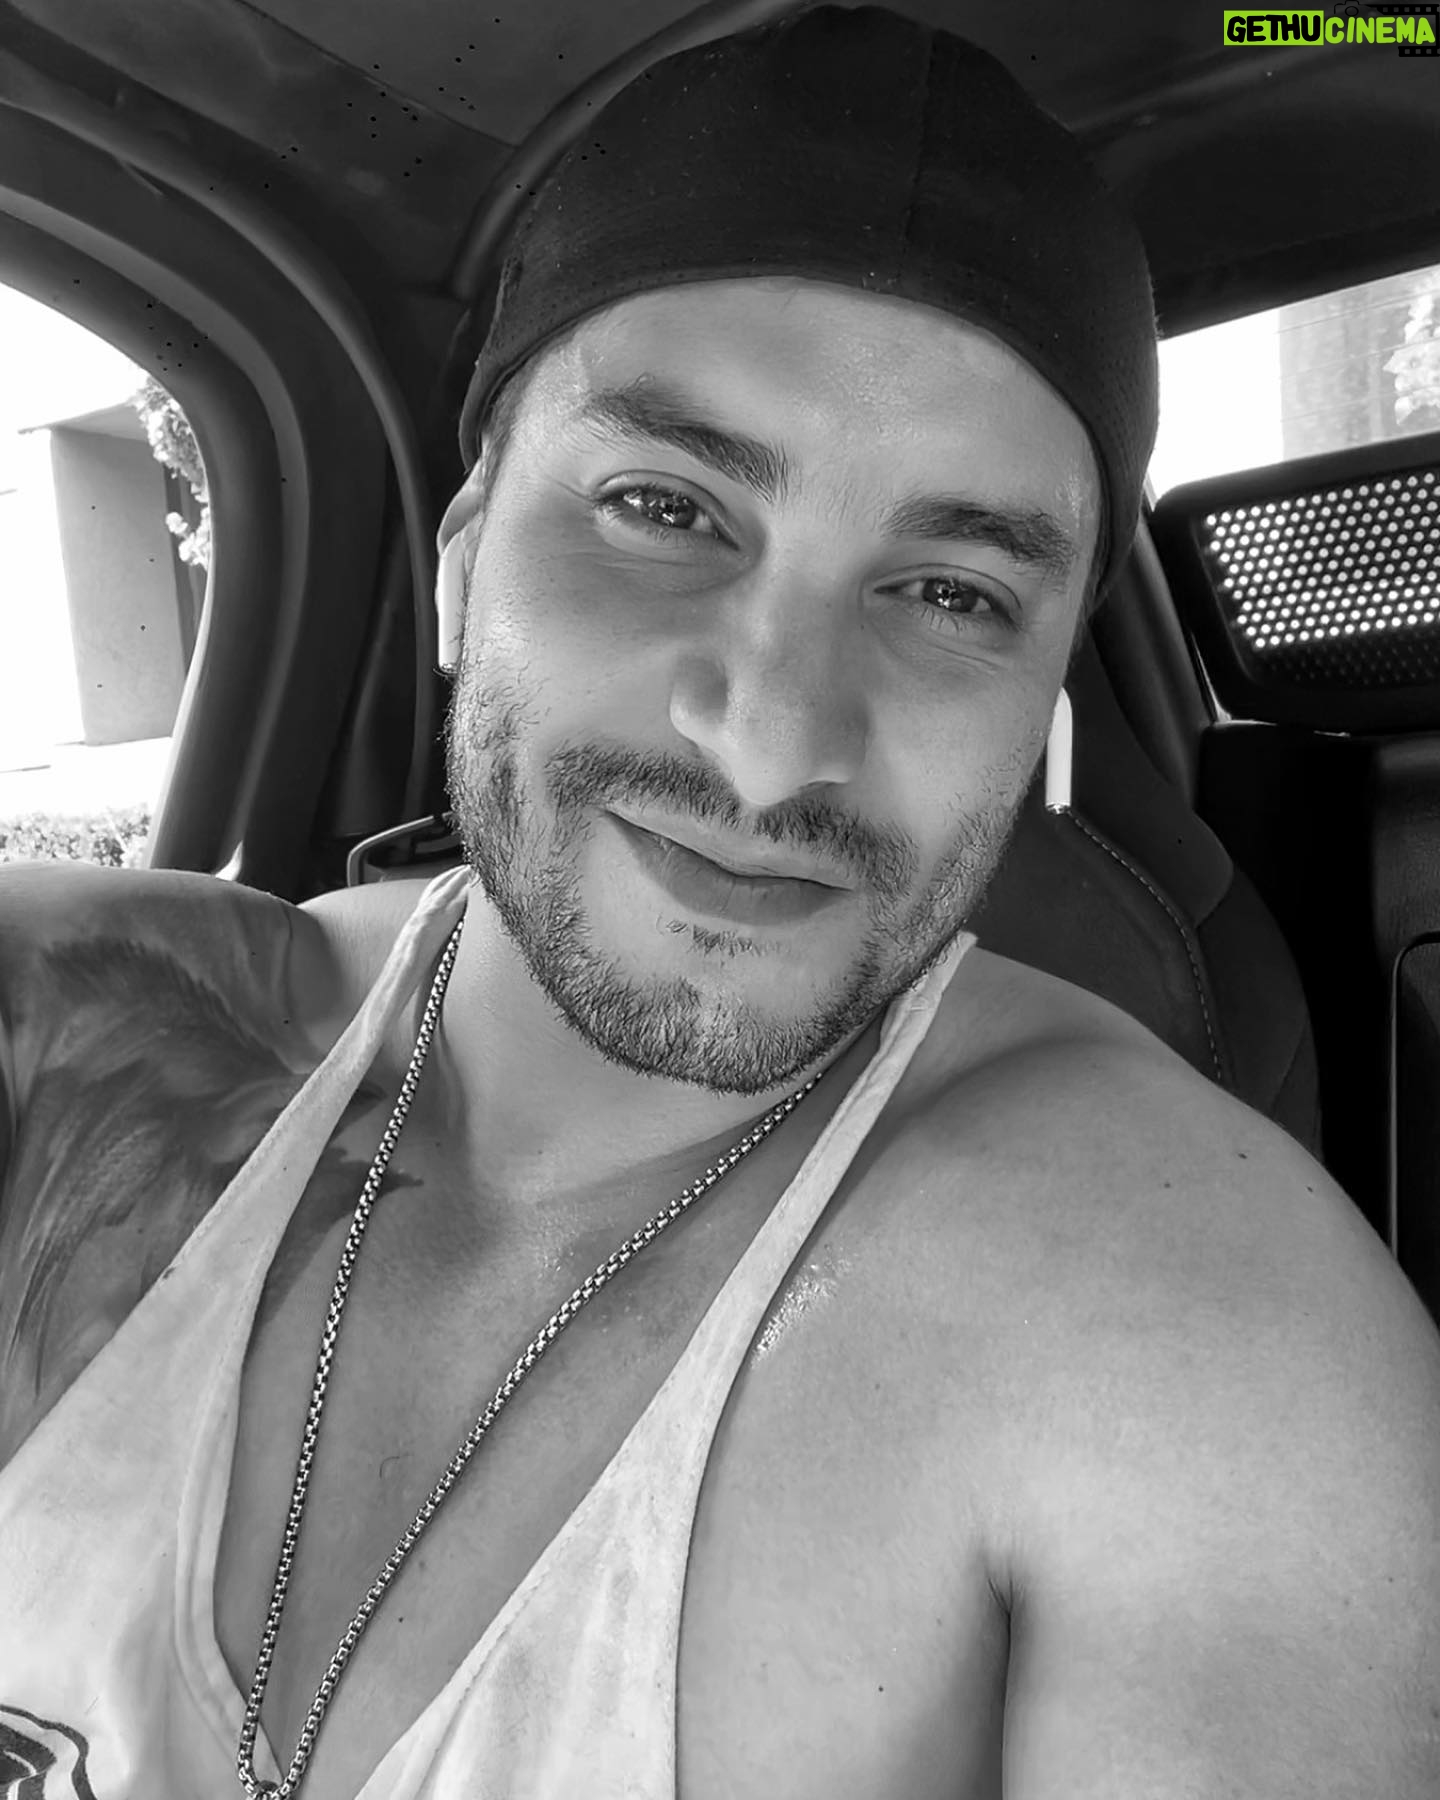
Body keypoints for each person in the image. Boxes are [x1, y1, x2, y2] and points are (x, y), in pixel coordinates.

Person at [0, 5, 1437, 1797]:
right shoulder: (69, 1043)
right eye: (665, 509)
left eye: (952, 593)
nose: (775, 744)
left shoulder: (1203, 1343)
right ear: (461, 568)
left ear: (1045, 697)